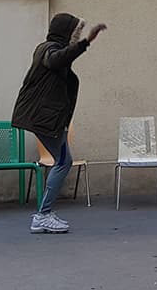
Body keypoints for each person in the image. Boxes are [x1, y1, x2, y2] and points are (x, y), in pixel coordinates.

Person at [11, 13, 107, 233]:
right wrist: (86, 42)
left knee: (63, 161)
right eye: (75, 32)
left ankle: (45, 213)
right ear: (66, 33)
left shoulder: (50, 49)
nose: (77, 36)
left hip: (48, 119)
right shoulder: (48, 49)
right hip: (42, 118)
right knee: (63, 161)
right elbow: (57, 59)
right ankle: (43, 215)